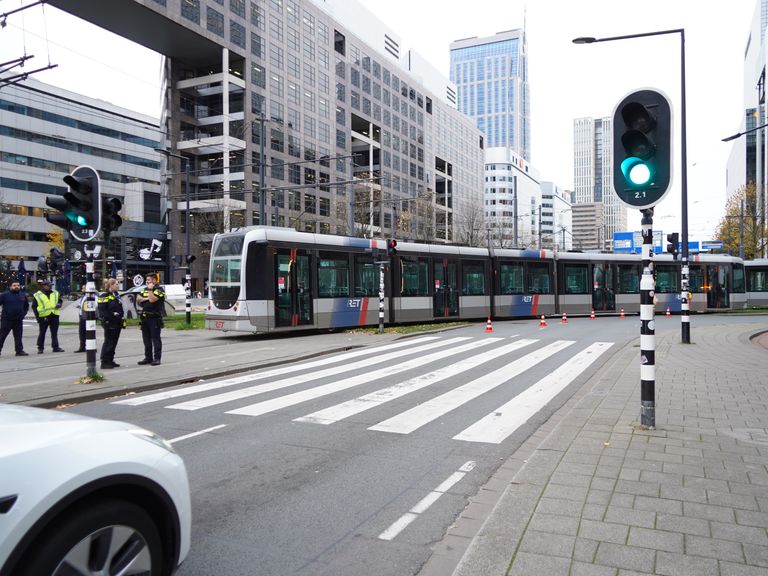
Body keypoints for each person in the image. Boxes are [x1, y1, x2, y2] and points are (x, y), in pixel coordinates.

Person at [137, 273, 165, 366]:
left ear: (154, 280)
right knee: (146, 339)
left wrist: (150, 290)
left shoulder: (159, 289)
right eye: (147, 280)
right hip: (145, 317)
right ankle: (148, 358)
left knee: (155, 339)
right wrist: (147, 298)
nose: (147, 282)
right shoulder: (144, 289)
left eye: (148, 280)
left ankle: (157, 358)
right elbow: (138, 299)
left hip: (154, 318)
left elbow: (153, 300)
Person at [97, 278, 124, 369]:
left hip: (117, 322)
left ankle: (110, 360)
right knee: (108, 342)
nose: (118, 285)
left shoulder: (116, 295)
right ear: (111, 285)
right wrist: (112, 316)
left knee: (114, 342)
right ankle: (104, 361)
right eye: (116, 284)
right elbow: (102, 310)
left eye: (118, 284)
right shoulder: (104, 296)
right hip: (109, 322)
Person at [32, 279, 64, 353]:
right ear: (43, 286)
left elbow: (60, 300)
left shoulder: (55, 293)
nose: (49, 287)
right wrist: (38, 318)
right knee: (42, 333)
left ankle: (55, 347)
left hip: (54, 315)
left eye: (50, 285)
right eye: (48, 285)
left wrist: (59, 304)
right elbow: (34, 307)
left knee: (54, 333)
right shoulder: (37, 295)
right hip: (43, 316)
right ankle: (40, 348)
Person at [0, 280, 30, 357]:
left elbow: (26, 306)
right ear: (10, 286)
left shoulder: (22, 295)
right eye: (14, 285)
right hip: (7, 319)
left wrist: (23, 314)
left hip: (18, 320)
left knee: (18, 336)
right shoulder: (5, 295)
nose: (16, 287)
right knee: (2, 336)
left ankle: (19, 351)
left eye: (18, 285)